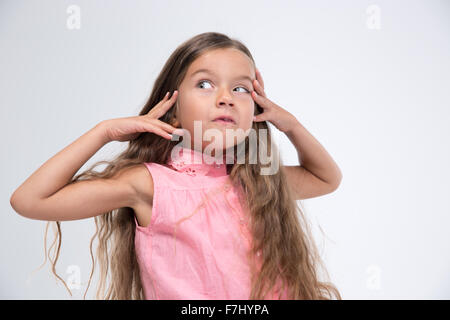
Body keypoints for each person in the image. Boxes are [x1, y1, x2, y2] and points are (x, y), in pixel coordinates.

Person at [10, 32, 343, 300]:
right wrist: (104, 132)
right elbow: (30, 200)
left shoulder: (259, 181)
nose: (225, 97)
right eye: (205, 84)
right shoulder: (150, 185)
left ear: (255, 110)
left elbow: (326, 178)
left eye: (241, 88)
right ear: (173, 109)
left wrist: (292, 125)